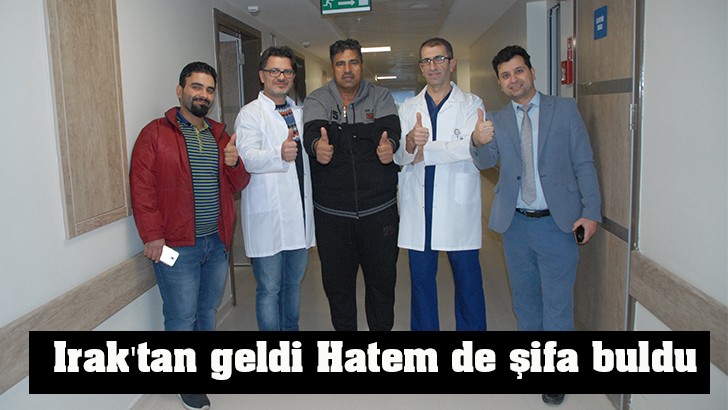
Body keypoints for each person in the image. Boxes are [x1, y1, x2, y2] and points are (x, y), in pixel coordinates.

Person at [470, 45, 601, 406]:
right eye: (505, 76)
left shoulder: (565, 110)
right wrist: (476, 141)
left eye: (518, 71)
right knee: (526, 302)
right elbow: (486, 161)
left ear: (532, 72)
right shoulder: (496, 119)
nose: (513, 80)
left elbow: (584, 163)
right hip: (516, 226)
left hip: (558, 224)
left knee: (557, 304)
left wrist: (591, 212)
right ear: (500, 83)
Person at [129, 61, 250, 410]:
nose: (204, 95)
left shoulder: (219, 135)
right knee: (181, 316)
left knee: (206, 310)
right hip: (176, 247)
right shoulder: (154, 134)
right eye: (196, 87)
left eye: (210, 89)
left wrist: (234, 163)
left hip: (216, 242)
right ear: (180, 90)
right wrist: (152, 235)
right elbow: (142, 188)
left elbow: (239, 183)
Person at [302, 38, 401, 331]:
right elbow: (311, 135)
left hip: (379, 212)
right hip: (332, 217)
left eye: (353, 62)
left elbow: (391, 132)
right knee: (338, 292)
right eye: (340, 63)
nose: (347, 69)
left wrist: (391, 147)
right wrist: (317, 147)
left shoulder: (381, 96)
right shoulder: (317, 99)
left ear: (362, 65)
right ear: (333, 67)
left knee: (382, 289)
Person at [395, 38, 490, 331]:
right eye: (426, 61)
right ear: (421, 67)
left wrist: (425, 152)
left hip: (457, 209)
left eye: (439, 59)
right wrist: (410, 143)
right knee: (421, 286)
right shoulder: (408, 108)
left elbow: (471, 149)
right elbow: (398, 157)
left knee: (468, 284)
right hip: (419, 208)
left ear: (452, 63)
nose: (432, 66)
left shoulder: (472, 104)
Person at [234, 46, 315, 331]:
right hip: (267, 218)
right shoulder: (250, 114)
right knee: (269, 288)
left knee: (293, 285)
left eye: (287, 71)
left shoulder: (301, 113)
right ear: (262, 75)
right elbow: (246, 158)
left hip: (299, 217)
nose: (281, 77)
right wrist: (278, 154)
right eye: (274, 71)